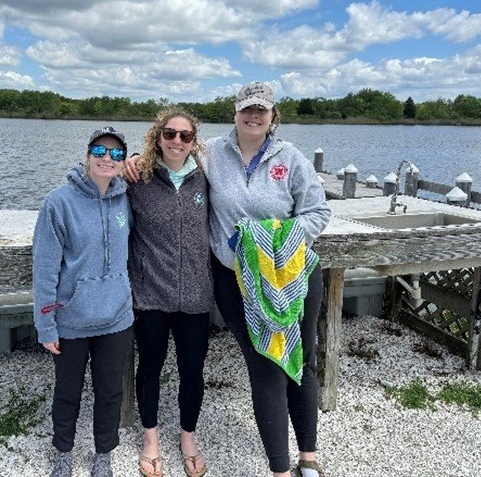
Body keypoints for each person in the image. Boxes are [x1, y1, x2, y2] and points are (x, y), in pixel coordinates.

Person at [125, 82, 331, 477]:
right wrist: (136, 157)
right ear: (235, 113)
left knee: (303, 361)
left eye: (261, 110)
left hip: (292, 276)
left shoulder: (291, 158)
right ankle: (279, 468)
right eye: (246, 110)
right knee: (265, 364)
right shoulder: (211, 153)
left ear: (273, 116)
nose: (253, 117)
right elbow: (171, 154)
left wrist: (273, 241)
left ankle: (308, 455)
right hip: (237, 280)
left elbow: (318, 213)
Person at [33, 127, 134, 477]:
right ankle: (63, 451)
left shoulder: (127, 199)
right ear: (87, 153)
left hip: (117, 318)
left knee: (109, 392)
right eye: (100, 150)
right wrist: (45, 325)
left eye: (117, 154)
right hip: (71, 319)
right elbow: (45, 270)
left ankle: (103, 453)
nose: (108, 158)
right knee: (67, 393)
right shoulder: (58, 202)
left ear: (124, 161)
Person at [127, 109, 213, 477]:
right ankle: (150, 438)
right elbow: (92, 175)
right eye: (170, 133)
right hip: (151, 296)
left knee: (192, 370)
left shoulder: (206, 178)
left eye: (185, 136)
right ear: (157, 136)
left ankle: (188, 436)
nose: (177, 141)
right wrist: (128, 159)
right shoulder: (138, 177)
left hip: (196, 296)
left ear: (194, 142)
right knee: (149, 368)